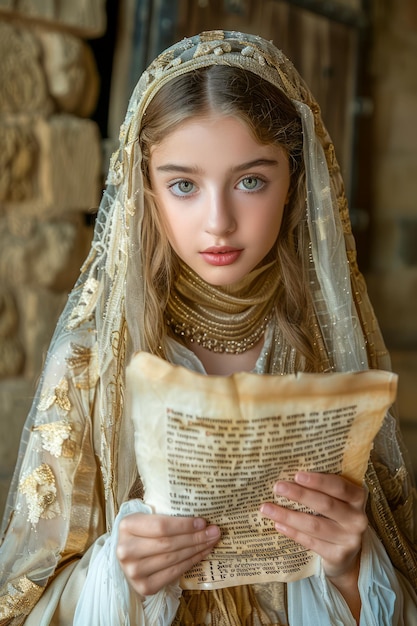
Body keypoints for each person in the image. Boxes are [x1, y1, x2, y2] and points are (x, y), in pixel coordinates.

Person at [0, 29, 416, 625]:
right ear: (147, 191)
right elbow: (20, 600)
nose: (218, 221)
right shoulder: (89, 362)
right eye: (184, 185)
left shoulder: (331, 360)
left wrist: (352, 569)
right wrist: (117, 574)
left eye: (251, 180)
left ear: (294, 183)